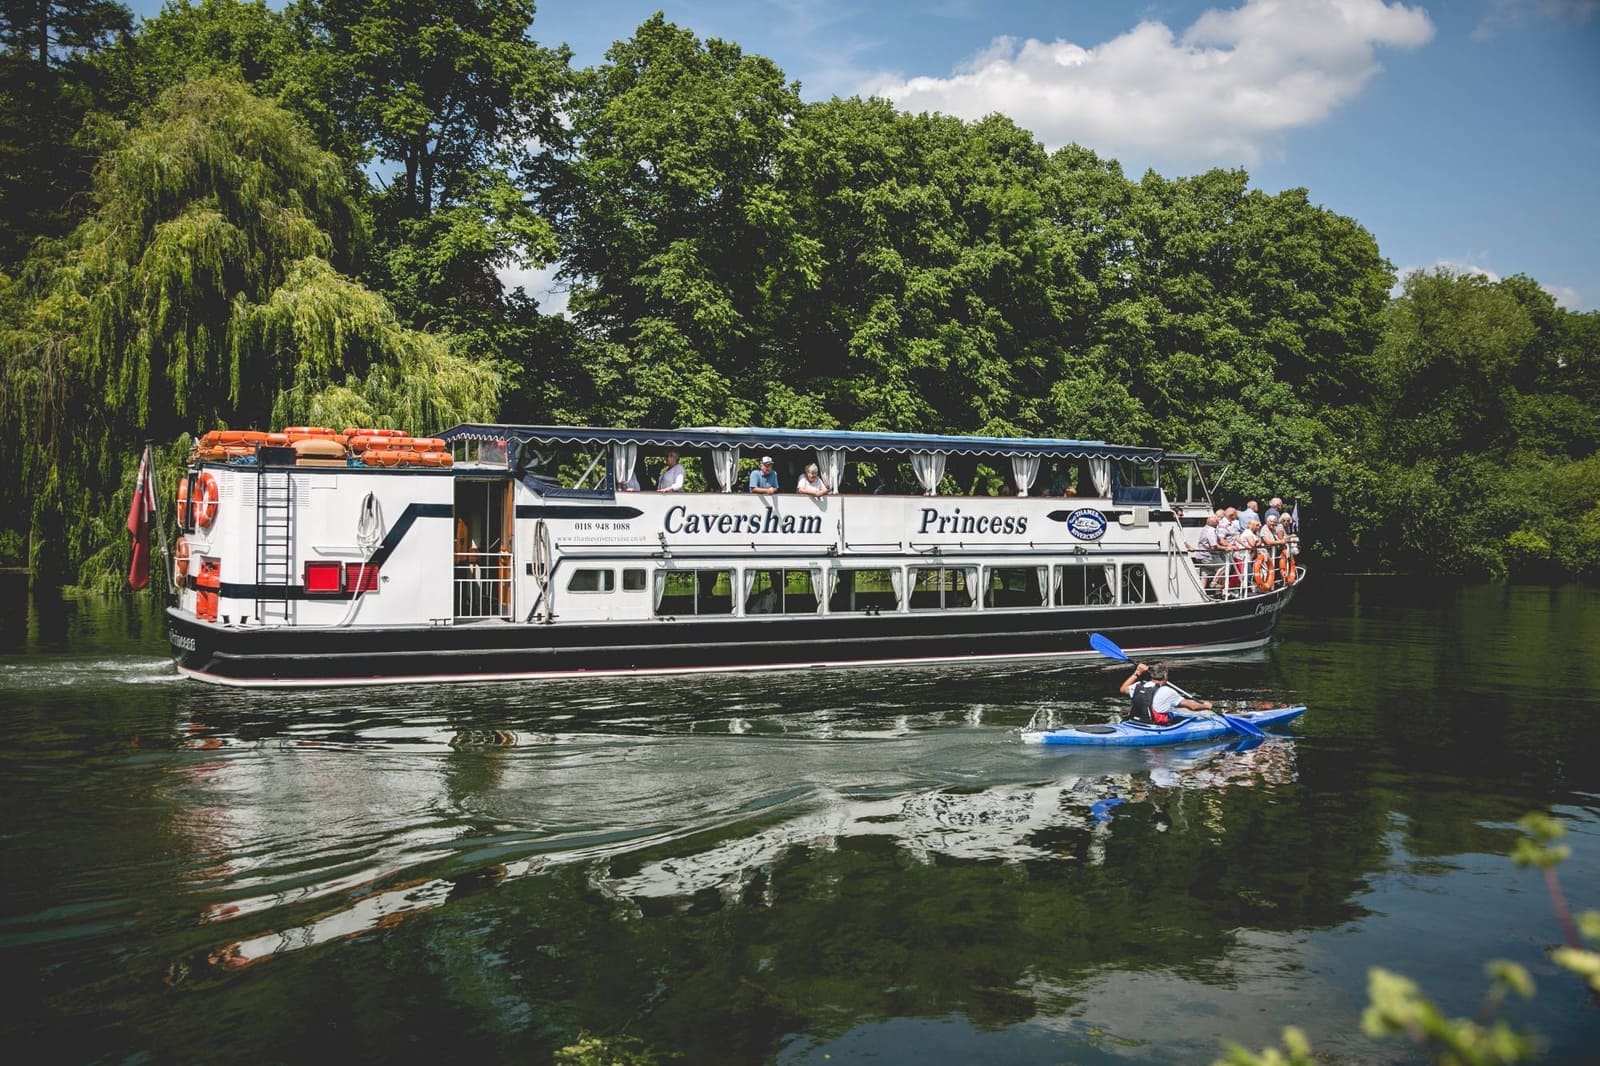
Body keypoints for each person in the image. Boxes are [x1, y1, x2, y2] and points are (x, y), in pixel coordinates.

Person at [1119, 662, 1213, 725]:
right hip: (1154, 725)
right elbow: (1192, 706)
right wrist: (1206, 705)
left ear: (1152, 675)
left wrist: (1137, 672)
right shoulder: (1167, 691)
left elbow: (1123, 689)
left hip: (1136, 722)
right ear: (1165, 676)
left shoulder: (1139, 685)